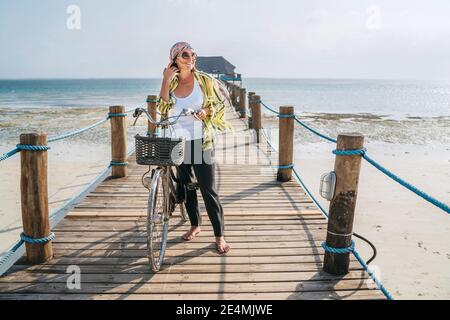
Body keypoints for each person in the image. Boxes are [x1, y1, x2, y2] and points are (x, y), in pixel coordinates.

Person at [156, 41, 233, 254]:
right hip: (178, 142)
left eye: (192, 55)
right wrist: (165, 79)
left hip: (201, 142)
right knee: (187, 186)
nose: (191, 58)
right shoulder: (170, 83)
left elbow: (219, 103)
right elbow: (162, 106)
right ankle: (195, 225)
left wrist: (206, 112)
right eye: (185, 55)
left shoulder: (204, 81)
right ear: (174, 60)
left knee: (208, 190)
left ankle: (220, 236)